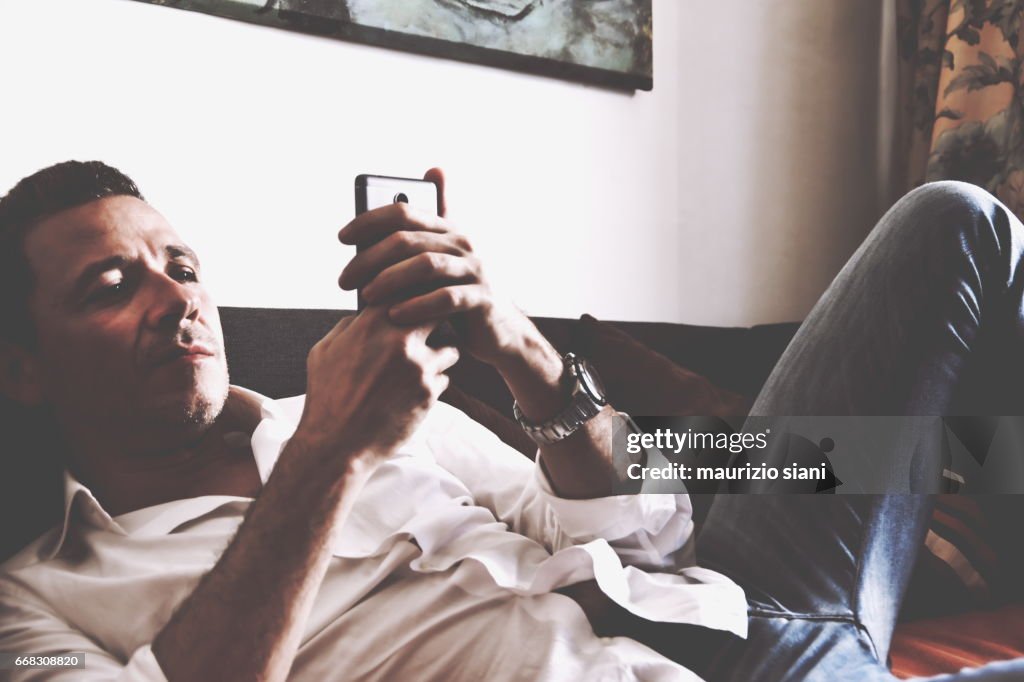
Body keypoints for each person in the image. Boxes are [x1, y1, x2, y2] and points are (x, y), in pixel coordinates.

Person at [0, 160, 1022, 682]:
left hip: (726, 581)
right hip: (712, 548)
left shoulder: (398, 404)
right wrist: (329, 455)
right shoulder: (42, 593)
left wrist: (523, 348)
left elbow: (649, 539)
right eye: (109, 284)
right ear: (23, 369)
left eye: (183, 269)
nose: (178, 300)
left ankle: (963, 472)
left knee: (955, 219)